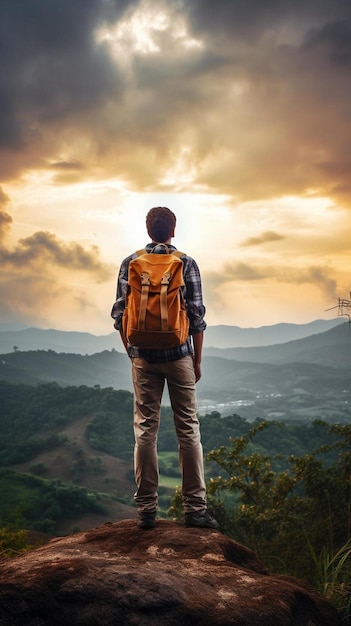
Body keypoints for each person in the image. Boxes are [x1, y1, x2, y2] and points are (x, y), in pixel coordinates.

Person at [111, 206, 219, 531]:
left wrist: (132, 352)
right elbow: (197, 317)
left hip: (143, 357)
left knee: (145, 430)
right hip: (179, 355)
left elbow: (119, 316)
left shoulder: (130, 263)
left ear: (148, 231)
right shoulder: (186, 262)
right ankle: (195, 510)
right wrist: (196, 360)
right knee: (188, 429)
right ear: (173, 230)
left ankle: (146, 511)